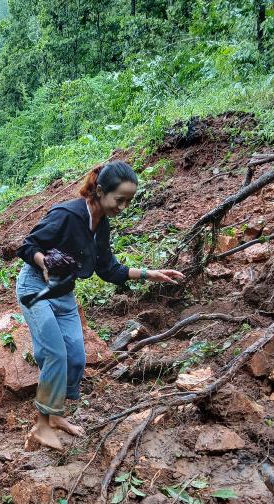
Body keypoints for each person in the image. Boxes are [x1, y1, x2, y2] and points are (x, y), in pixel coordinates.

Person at [16, 161, 185, 450]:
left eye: (128, 202)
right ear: (101, 191)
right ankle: (42, 425)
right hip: (36, 288)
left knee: (77, 358)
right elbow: (27, 246)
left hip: (64, 294)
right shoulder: (67, 215)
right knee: (55, 354)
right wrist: (44, 263)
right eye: (119, 200)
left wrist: (149, 273)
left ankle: (55, 416)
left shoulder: (100, 226)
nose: (123, 207)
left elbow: (108, 270)